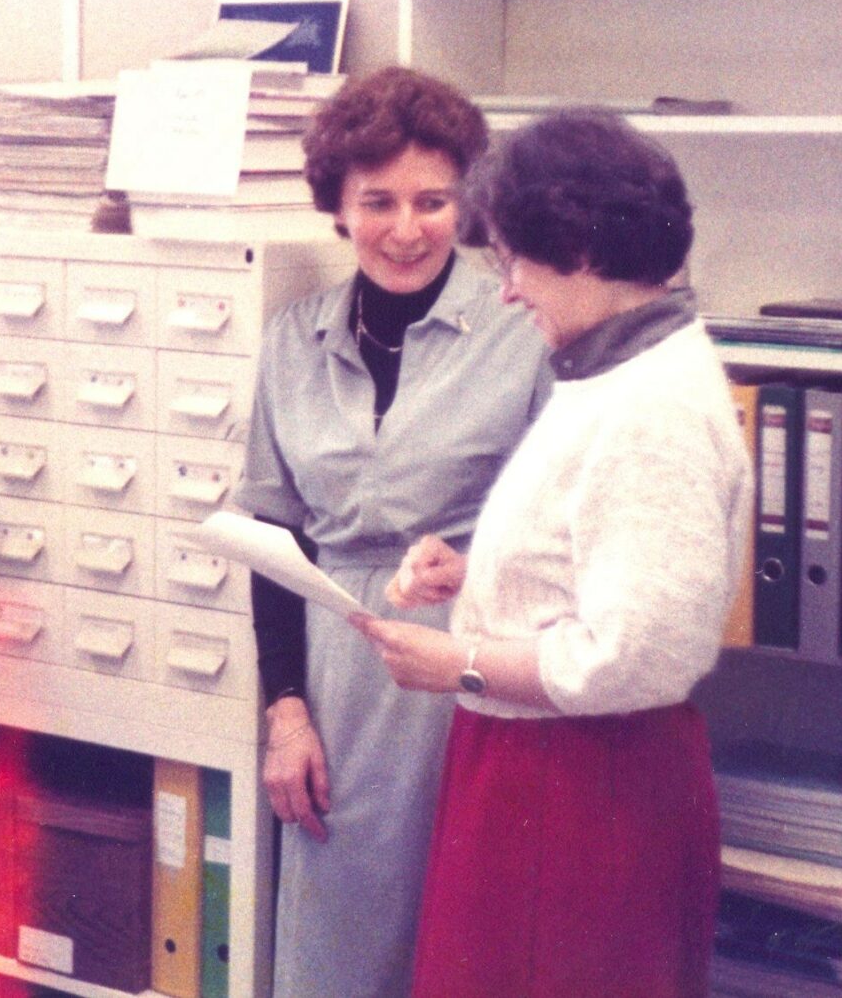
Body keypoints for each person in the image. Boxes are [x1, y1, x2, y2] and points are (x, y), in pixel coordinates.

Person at [354, 111, 753, 998]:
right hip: (542, 776)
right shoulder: (609, 368)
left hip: (581, 789)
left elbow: (632, 659)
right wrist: (486, 575)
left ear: (576, 252)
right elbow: (605, 554)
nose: (505, 293)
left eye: (515, 265)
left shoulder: (651, 409)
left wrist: (458, 661)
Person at [234, 66, 552, 998]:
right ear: (336, 206)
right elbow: (271, 535)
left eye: (433, 201)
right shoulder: (294, 339)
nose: (406, 229)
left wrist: (478, 564)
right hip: (338, 679)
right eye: (377, 201)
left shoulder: (524, 329)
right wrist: (284, 710)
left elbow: (567, 532)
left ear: (469, 204)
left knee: (468, 945)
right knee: (336, 948)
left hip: (477, 665)